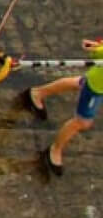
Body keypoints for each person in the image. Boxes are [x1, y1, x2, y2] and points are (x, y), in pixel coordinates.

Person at [20, 40, 103, 174]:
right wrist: (98, 49)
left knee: (80, 83)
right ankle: (55, 150)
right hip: (97, 87)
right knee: (82, 122)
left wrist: (97, 48)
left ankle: (37, 93)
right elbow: (98, 54)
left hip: (97, 77)